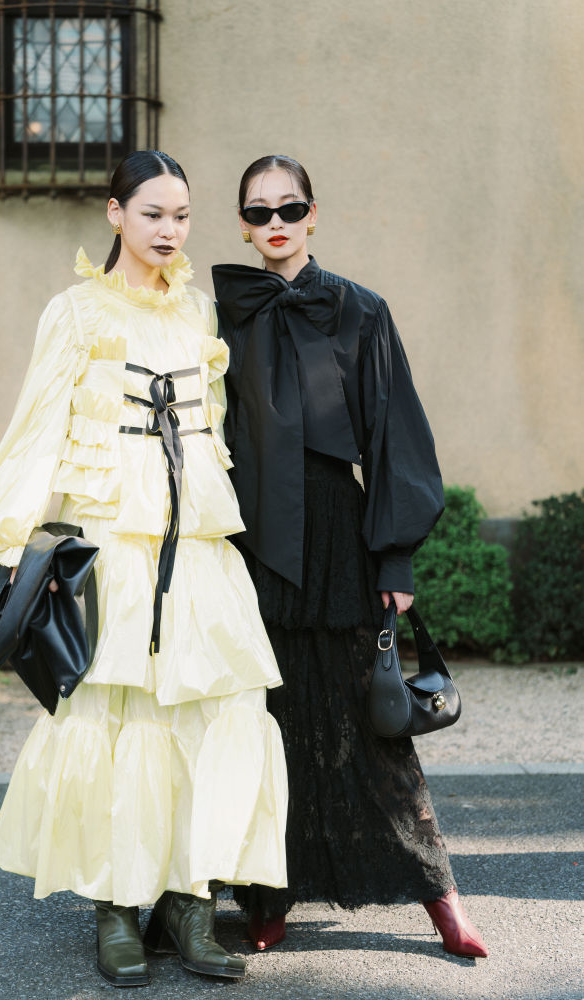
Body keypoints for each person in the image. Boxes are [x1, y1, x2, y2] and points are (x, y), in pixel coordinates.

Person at [0, 150, 288, 987]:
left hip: (198, 538)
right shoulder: (74, 311)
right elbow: (36, 421)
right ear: (115, 214)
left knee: (216, 708)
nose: (169, 231)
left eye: (181, 216)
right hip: (113, 534)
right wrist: (15, 540)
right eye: (152, 214)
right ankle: (116, 909)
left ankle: (189, 903)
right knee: (117, 715)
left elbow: (218, 427)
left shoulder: (200, 315)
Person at [211, 154, 488, 960]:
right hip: (250, 540)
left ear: (313, 214)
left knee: (373, 729)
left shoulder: (360, 310)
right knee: (264, 726)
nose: (274, 225)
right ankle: (268, 900)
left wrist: (394, 561)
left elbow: (395, 432)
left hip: (337, 532)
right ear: (240, 223)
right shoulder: (221, 319)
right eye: (258, 212)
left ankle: (442, 896)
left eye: (288, 208)